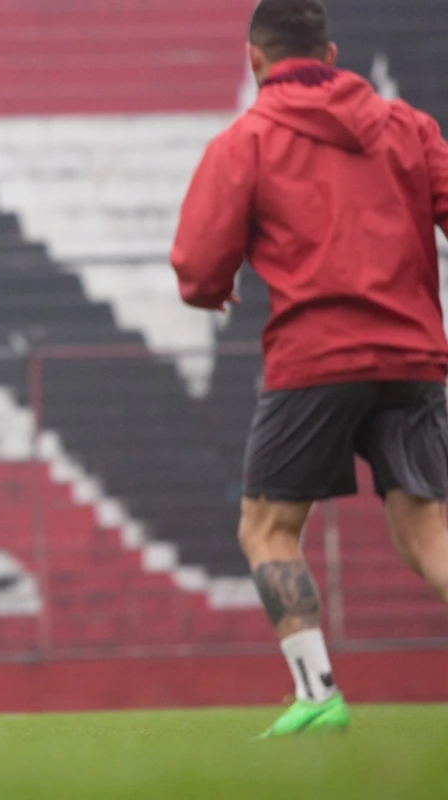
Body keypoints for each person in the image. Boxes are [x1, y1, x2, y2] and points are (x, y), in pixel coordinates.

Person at [171, 0, 448, 737]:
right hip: (417, 355)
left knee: (267, 526)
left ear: (256, 59)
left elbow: (197, 268)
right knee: (428, 532)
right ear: (330, 55)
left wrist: (212, 288)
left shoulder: (248, 139)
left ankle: (318, 692)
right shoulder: (409, 126)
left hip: (316, 357)